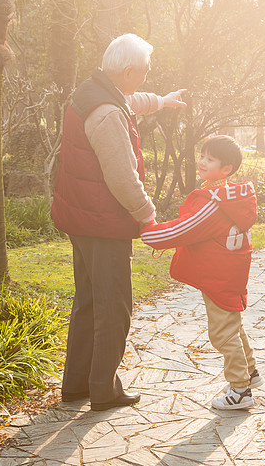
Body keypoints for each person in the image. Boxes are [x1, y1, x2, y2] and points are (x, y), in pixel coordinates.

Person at [50, 33, 186, 411]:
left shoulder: (93, 89)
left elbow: (131, 100)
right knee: (114, 307)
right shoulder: (108, 113)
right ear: (127, 71)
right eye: (144, 72)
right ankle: (104, 390)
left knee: (89, 302)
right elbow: (122, 177)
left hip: (80, 217)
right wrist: (147, 217)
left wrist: (161, 101)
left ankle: (77, 385)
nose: (145, 77)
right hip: (102, 222)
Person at [140, 135, 262, 410]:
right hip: (227, 270)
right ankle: (250, 374)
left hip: (219, 274)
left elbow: (183, 229)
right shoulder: (230, 197)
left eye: (209, 158)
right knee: (232, 325)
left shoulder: (214, 202)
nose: (201, 162)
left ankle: (240, 390)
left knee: (222, 333)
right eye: (202, 155)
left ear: (226, 169)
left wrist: (146, 230)